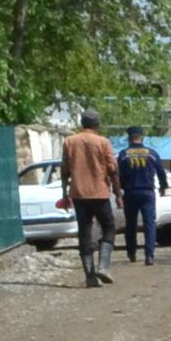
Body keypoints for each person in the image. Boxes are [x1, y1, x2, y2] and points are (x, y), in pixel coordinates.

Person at [60, 110, 120, 287]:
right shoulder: (103, 142)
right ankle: (103, 266)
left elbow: (64, 171)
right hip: (99, 193)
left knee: (84, 232)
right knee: (109, 227)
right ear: (97, 125)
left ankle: (90, 276)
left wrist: (65, 194)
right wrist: (118, 194)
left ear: (82, 124)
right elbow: (113, 170)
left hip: (79, 194)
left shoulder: (70, 142)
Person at [117, 126, 170, 266]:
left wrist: (118, 191)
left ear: (129, 138)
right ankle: (149, 255)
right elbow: (161, 172)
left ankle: (131, 253)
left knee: (131, 224)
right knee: (149, 224)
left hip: (130, 193)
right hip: (147, 192)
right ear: (142, 137)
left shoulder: (123, 154)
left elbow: (118, 175)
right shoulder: (152, 153)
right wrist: (164, 186)